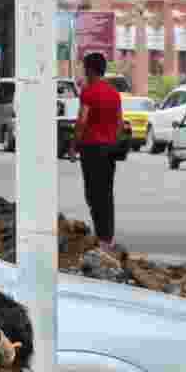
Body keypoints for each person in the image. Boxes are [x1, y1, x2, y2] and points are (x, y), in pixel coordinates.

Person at [70, 51, 124, 248]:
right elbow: (120, 122)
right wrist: (113, 141)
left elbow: (82, 120)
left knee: (93, 193)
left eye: (85, 68)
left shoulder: (89, 91)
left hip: (92, 148)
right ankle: (107, 237)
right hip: (109, 149)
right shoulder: (114, 93)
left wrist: (73, 145)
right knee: (106, 192)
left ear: (90, 69)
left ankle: (101, 237)